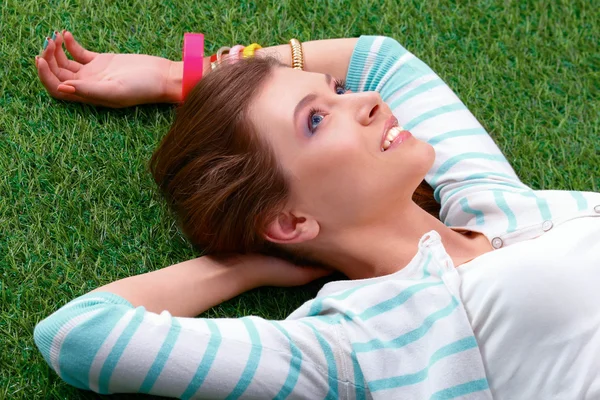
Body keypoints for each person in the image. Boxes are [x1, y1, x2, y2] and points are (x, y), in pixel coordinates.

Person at [33, 31, 600, 399]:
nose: (364, 100)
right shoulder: (360, 344)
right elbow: (81, 333)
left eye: (334, 91)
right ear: (290, 221)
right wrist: (243, 266)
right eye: (315, 120)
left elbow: (379, 60)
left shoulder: (493, 201)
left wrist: (180, 76)